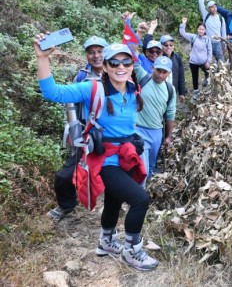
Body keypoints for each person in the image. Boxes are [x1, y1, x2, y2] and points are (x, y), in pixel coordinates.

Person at [35, 38, 158, 271]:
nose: (120, 67)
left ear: (133, 64)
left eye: (126, 62)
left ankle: (106, 242)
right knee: (140, 199)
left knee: (114, 199)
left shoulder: (133, 89)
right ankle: (132, 251)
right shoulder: (92, 88)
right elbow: (52, 92)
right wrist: (43, 58)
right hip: (104, 160)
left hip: (124, 157)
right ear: (106, 66)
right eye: (114, 63)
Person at [47, 36, 109, 222]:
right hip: (87, 132)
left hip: (112, 133)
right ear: (87, 55)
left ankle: (114, 204)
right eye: (92, 52)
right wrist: (73, 131)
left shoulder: (117, 71)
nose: (96, 56)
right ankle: (67, 206)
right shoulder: (82, 76)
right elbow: (70, 104)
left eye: (100, 51)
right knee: (65, 175)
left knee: (113, 172)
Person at [135, 56, 176, 179]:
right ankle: (139, 194)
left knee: (151, 165)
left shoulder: (170, 89)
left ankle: (146, 192)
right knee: (142, 166)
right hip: (139, 130)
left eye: (164, 72)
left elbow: (170, 113)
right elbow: (133, 60)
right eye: (158, 70)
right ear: (152, 68)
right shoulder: (143, 77)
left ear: (169, 73)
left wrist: (168, 137)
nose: (160, 75)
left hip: (157, 132)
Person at [179, 17, 212, 100]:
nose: (201, 31)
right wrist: (183, 23)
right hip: (193, 62)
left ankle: (206, 79)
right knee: (195, 77)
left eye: (202, 29)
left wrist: (208, 61)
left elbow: (209, 51)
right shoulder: (193, 37)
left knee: (208, 73)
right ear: (197, 29)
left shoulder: (207, 39)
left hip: (204, 62)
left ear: (205, 31)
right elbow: (182, 33)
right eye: (199, 29)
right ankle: (196, 92)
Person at [199, 0, 226, 65]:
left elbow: (223, 32)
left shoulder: (221, 18)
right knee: (206, 61)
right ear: (209, 9)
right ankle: (208, 76)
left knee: (221, 61)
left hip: (217, 43)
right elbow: (200, 3)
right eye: (211, 7)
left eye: (215, 7)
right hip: (207, 42)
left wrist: (224, 43)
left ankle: (221, 75)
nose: (214, 9)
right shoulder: (206, 15)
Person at [160, 35, 186, 103]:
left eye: (171, 45)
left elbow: (181, 76)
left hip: (173, 91)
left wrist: (182, 92)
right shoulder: (158, 59)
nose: (169, 47)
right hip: (160, 92)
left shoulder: (177, 58)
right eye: (166, 45)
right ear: (161, 46)